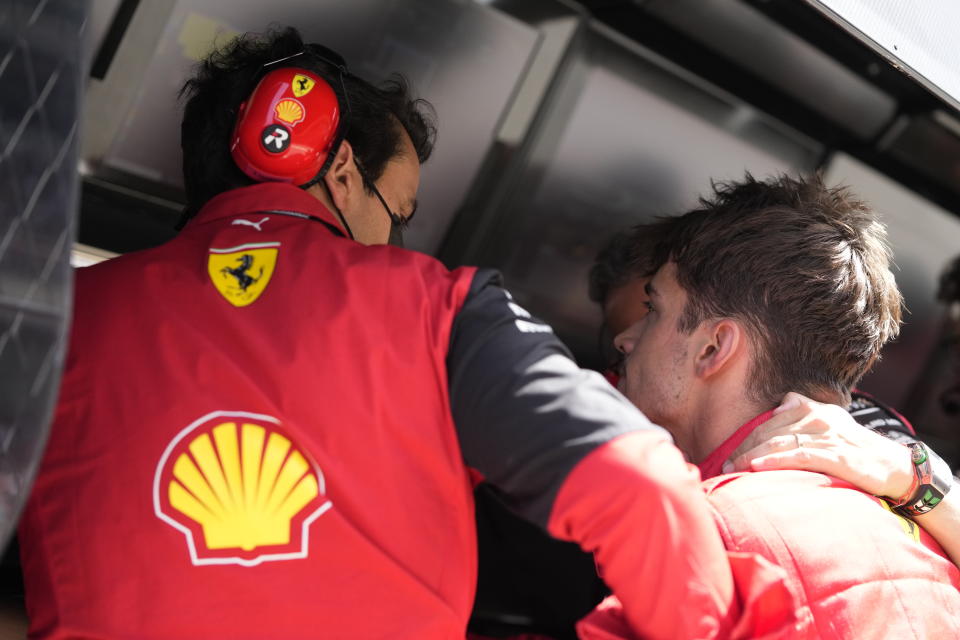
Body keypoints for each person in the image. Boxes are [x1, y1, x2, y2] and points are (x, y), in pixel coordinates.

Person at [17, 27, 789, 640]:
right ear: (342, 172)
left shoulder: (53, 314)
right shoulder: (442, 311)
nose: (397, 245)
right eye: (401, 214)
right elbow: (636, 486)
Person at [582, 175, 960, 638]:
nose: (625, 341)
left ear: (712, 348)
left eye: (653, 309)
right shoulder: (927, 535)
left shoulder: (708, 541)